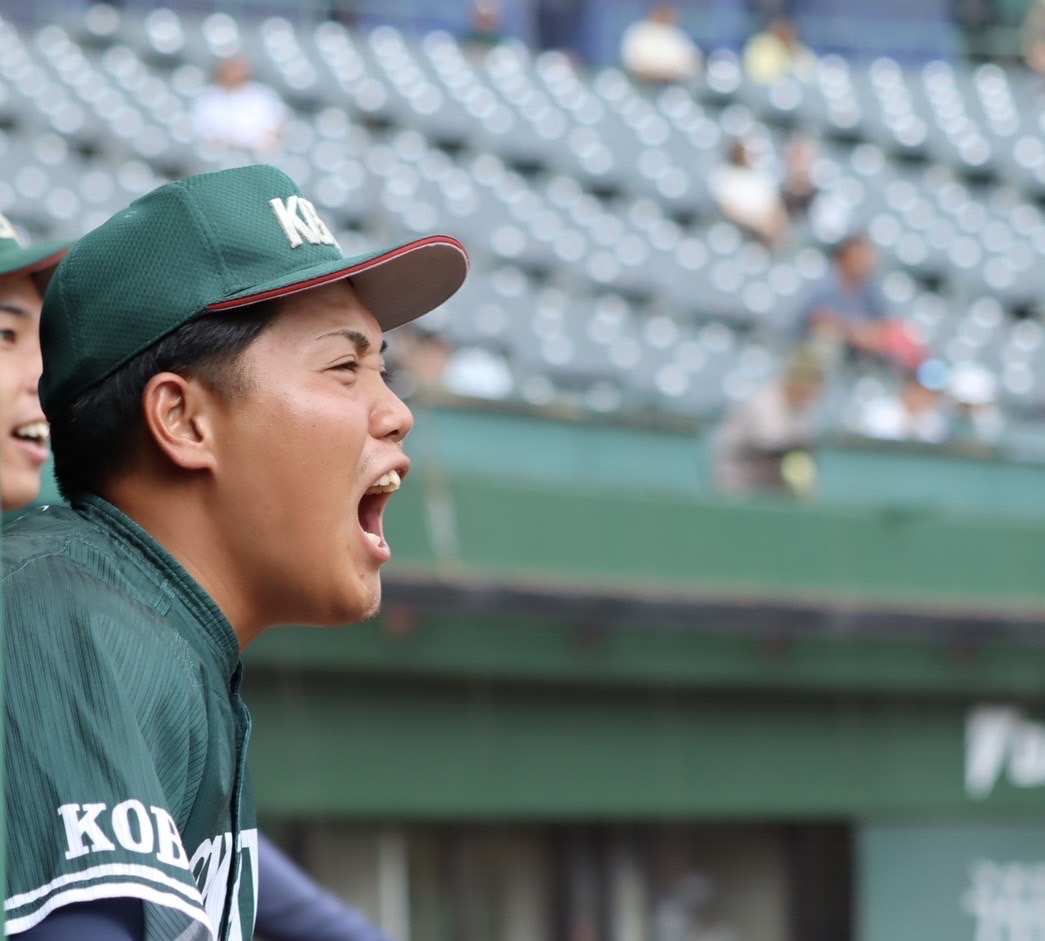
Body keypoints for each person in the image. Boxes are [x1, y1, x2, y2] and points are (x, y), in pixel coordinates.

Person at [1, 164, 468, 940]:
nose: (395, 412)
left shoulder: (161, 637)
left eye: (383, 370)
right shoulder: (61, 618)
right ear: (183, 420)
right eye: (344, 367)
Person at [712, 348, 825, 497]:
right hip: (737, 479)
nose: (808, 393)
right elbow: (770, 446)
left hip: (769, 480)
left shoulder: (804, 408)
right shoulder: (765, 400)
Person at [795, 233, 895, 365]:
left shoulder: (871, 291)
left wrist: (865, 334)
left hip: (859, 351)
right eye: (858, 257)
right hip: (819, 351)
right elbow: (820, 322)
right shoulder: (824, 286)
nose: (864, 262)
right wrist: (854, 332)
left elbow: (884, 326)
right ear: (844, 257)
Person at [192, 55, 288, 154]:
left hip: (257, 153)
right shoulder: (207, 98)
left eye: (237, 68)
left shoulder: (262, 95)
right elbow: (202, 130)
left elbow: (279, 124)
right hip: (220, 153)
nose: (234, 73)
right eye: (230, 68)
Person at [709, 137, 789, 249]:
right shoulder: (725, 176)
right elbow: (730, 209)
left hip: (766, 225)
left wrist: (775, 225)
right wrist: (757, 224)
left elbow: (775, 205)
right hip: (744, 231)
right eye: (744, 151)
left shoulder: (761, 176)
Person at [620, 4, 702, 85]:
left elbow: (693, 66)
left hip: (672, 85)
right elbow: (632, 63)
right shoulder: (638, 32)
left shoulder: (679, 37)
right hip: (642, 84)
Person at [742, 17, 816, 84]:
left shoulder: (798, 48)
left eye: (789, 31)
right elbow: (762, 74)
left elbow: (809, 71)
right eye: (782, 30)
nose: (787, 34)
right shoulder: (761, 44)